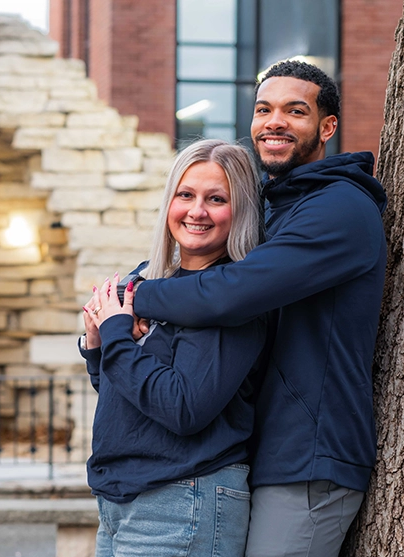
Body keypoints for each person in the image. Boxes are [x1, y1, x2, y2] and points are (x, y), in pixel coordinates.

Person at [128, 61, 388, 557]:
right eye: (264, 109)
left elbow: (231, 292)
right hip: (261, 452)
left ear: (327, 126)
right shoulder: (275, 206)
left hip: (310, 455)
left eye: (295, 111)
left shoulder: (340, 209)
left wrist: (137, 298)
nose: (274, 122)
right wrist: (129, 297)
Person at [79, 139, 268, 557]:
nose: (196, 211)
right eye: (186, 195)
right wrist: (98, 346)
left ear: (239, 211)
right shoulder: (150, 281)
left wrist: (116, 335)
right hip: (119, 504)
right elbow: (124, 393)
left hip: (184, 500)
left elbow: (182, 407)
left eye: (216, 199)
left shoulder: (232, 297)